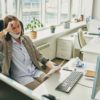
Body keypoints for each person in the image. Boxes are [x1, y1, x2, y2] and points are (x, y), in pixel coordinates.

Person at [0, 15, 59, 90]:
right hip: (21, 77)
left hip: (35, 71)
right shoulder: (5, 43)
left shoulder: (26, 39)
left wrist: (53, 66)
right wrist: (5, 30)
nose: (17, 30)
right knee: (41, 91)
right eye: (13, 28)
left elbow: (39, 56)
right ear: (8, 29)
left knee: (51, 84)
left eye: (18, 26)